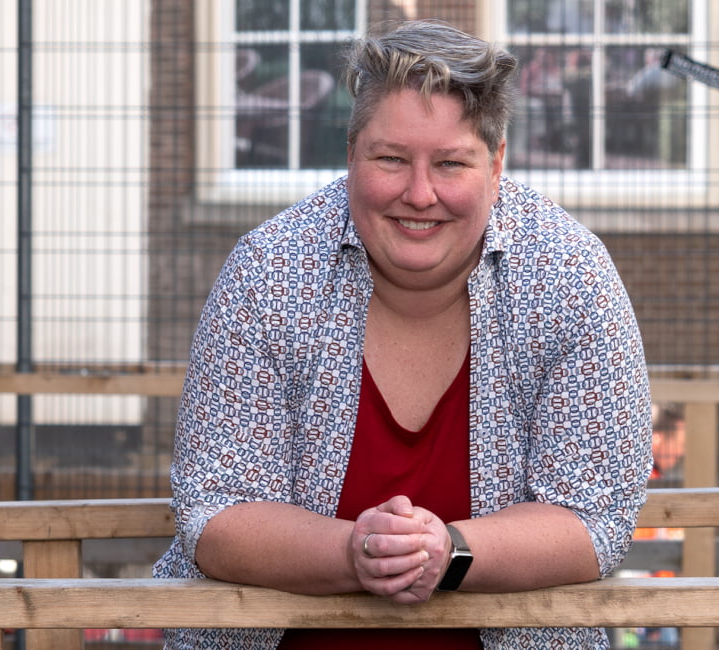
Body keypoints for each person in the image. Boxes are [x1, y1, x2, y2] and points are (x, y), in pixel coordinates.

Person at [153, 20, 654, 649]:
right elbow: (216, 514)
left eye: (450, 163)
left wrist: (451, 552)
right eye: (391, 159)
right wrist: (355, 552)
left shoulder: (570, 277)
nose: (420, 195)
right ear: (351, 153)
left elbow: (593, 521)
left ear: (496, 164)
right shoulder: (268, 270)